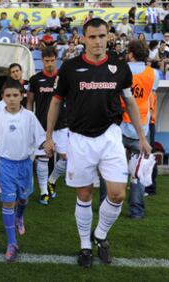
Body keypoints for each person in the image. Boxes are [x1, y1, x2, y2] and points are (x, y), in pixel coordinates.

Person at [44, 18, 151, 268]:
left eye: (101, 36)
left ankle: (100, 235)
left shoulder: (120, 67)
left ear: (108, 37)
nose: (97, 41)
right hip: (79, 138)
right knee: (84, 193)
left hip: (110, 135)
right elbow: (56, 102)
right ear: (83, 39)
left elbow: (130, 103)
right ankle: (84, 246)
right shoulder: (70, 68)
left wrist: (143, 137)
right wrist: (48, 136)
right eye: (92, 37)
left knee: (117, 193)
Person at [0, 78, 45, 262]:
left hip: (25, 165)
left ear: (22, 96)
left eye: (15, 95)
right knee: (8, 203)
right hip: (5, 165)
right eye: (8, 95)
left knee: (23, 198)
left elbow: (41, 138)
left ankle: (20, 217)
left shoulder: (29, 116)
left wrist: (48, 146)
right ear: (2, 97)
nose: (12, 99)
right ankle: (12, 243)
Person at [99, 40, 159, 218]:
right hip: (140, 127)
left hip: (118, 125)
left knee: (108, 168)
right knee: (137, 172)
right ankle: (136, 211)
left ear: (131, 54)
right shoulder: (153, 74)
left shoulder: (120, 70)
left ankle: (105, 203)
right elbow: (149, 96)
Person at [28, 46, 67, 205]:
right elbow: (30, 101)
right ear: (42, 61)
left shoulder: (64, 78)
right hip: (42, 125)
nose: (49, 64)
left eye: (52, 60)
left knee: (66, 158)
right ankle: (44, 191)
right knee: (43, 158)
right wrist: (30, 120)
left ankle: (52, 180)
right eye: (46, 61)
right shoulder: (35, 79)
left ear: (56, 60)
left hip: (62, 124)